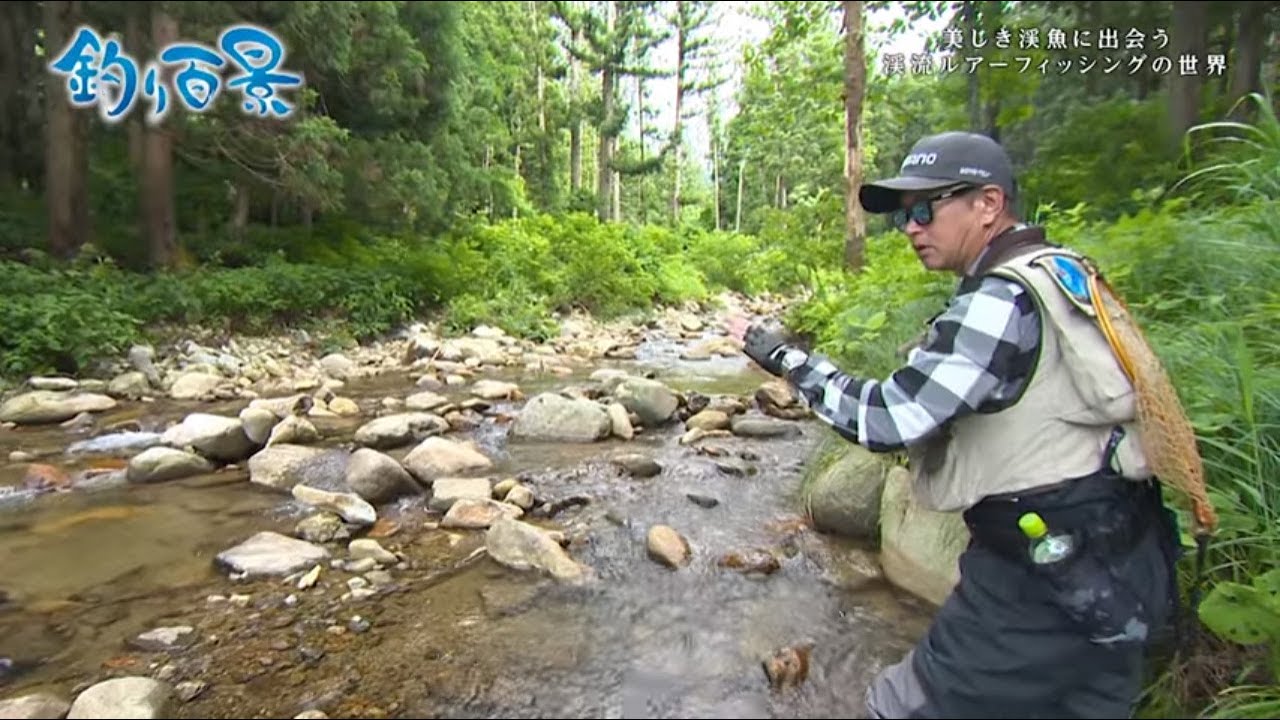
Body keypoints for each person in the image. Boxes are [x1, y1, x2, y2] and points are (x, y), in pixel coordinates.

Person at [727, 131, 1183, 719]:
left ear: (988, 204)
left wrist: (781, 355)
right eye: (903, 216)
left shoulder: (999, 299)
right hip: (1124, 563)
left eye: (924, 209)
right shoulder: (1061, 270)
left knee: (902, 708)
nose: (911, 227)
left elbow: (887, 420)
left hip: (1040, 581)